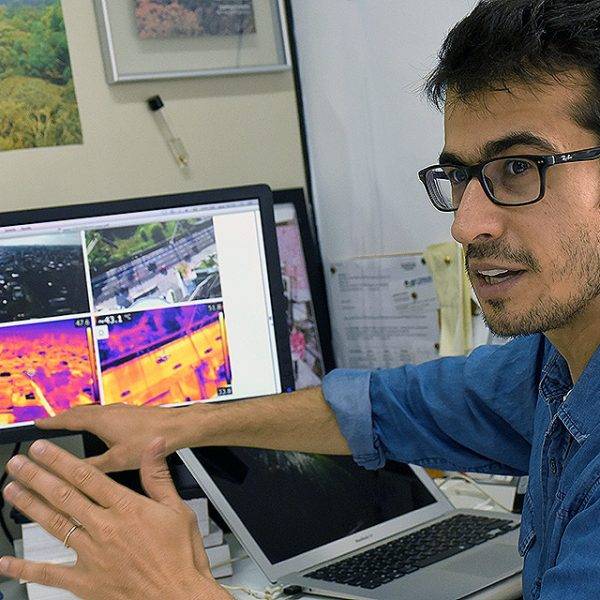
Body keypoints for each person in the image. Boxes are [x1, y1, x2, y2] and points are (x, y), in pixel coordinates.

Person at [2, 0, 600, 598]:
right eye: (462, 177)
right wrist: (173, 424)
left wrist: (169, 589)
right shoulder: (555, 367)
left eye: (518, 168)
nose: (466, 224)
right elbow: (393, 408)